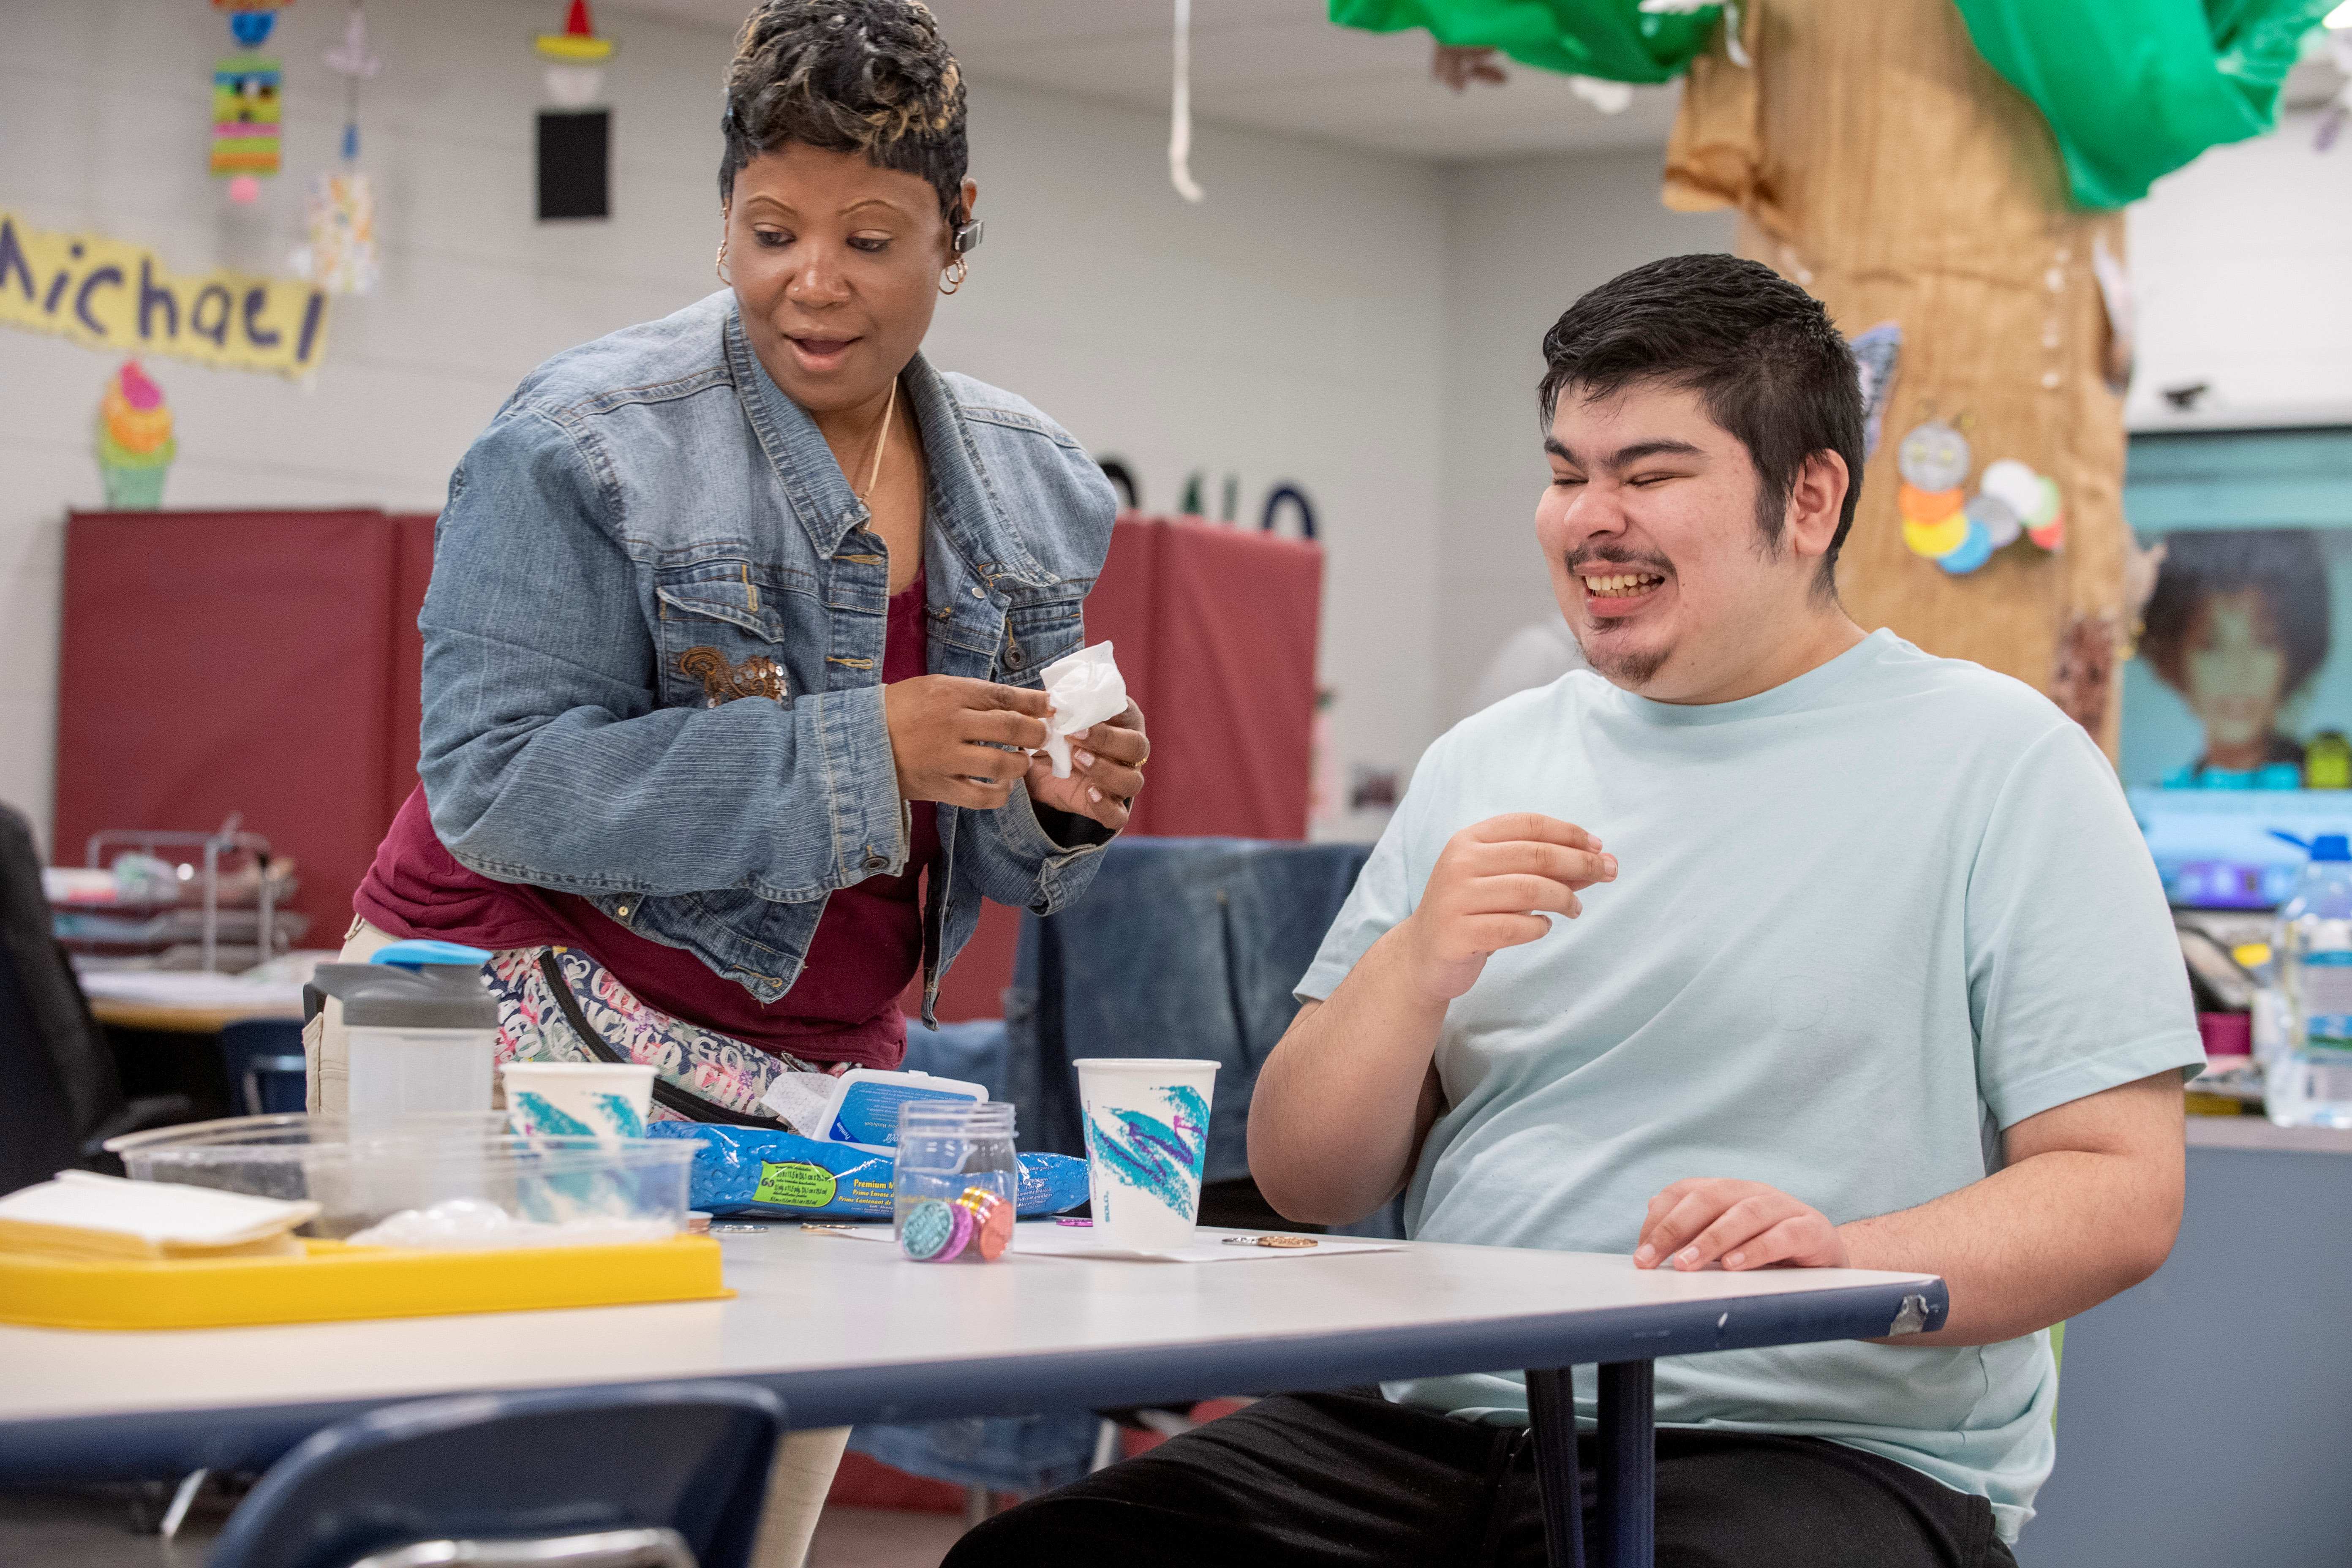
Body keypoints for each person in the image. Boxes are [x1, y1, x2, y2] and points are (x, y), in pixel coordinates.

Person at [950, 254, 2200, 1568]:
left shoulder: (2000, 759)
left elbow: (2119, 1192)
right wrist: (1411, 969)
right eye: (1563, 473)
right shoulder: (1483, 761)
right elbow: (1308, 1176)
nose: (1587, 520)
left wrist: (1841, 1255)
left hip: (1803, 1441)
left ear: (1810, 498)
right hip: (1431, 1411)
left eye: (1649, 475)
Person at [308, 3, 1146, 1560]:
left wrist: (1052, 802)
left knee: (736, 1535)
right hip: (502, 1019)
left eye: (870, 238)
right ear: (724, 220)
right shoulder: (582, 438)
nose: (809, 282)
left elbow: (998, 842)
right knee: (518, 1533)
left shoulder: (1032, 480)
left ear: (956, 235)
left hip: (816, 1058)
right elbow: (491, 782)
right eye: (770, 230)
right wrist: (863, 747)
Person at [2137, 528, 2330, 788]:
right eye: (2211, 646)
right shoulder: (2162, 802)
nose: (2237, 673)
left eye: (2263, 643)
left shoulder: (2331, 792)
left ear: (2293, 658)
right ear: (2177, 660)